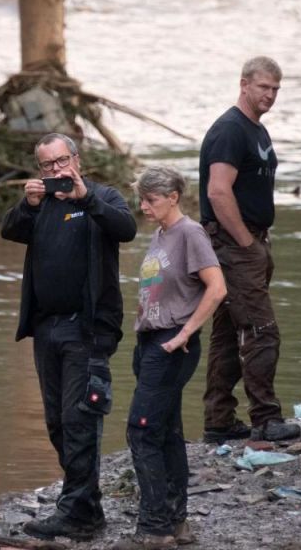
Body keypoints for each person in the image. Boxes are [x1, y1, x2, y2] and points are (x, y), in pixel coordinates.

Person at [0, 132, 138, 541]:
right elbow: (9, 230)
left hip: (87, 326)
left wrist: (85, 199)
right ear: (39, 169)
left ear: (77, 159)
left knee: (80, 418)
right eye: (47, 165)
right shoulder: (40, 205)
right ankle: (85, 505)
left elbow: (127, 228)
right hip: (47, 327)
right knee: (57, 422)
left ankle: (77, 511)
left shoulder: (101, 197)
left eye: (62, 162)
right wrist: (29, 203)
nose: (56, 171)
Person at [112, 167, 227, 550]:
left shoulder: (189, 233)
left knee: (141, 430)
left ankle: (154, 527)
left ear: (173, 197)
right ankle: (176, 523)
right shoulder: (160, 236)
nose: (144, 206)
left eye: (151, 200)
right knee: (166, 432)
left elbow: (217, 288)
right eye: (141, 200)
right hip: (151, 343)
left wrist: (184, 333)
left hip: (172, 344)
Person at [197, 56, 300, 443]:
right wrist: (245, 242)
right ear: (244, 85)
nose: (270, 95)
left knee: (228, 333)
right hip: (233, 243)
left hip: (250, 240)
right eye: (263, 88)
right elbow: (217, 191)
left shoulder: (257, 130)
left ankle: (219, 419)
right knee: (261, 330)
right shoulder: (229, 130)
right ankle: (266, 419)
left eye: (275, 89)